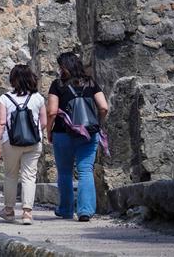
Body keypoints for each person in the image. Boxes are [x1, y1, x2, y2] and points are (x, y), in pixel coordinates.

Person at [47, 52, 109, 222]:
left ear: (64, 67)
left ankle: (66, 210)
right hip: (89, 133)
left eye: (60, 66)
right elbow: (103, 107)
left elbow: (52, 111)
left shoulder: (57, 85)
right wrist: (98, 123)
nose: (59, 69)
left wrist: (49, 131)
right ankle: (85, 211)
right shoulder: (91, 83)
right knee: (85, 170)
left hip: (62, 133)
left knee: (65, 172)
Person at [0, 64, 47, 225]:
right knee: (30, 176)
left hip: (11, 142)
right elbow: (44, 122)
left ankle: (9, 211)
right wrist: (33, 132)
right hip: (34, 142)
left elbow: (1, 123)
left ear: (13, 80)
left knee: (10, 175)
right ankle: (27, 213)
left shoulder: (5, 99)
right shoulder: (38, 98)